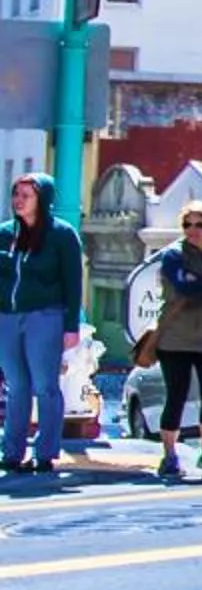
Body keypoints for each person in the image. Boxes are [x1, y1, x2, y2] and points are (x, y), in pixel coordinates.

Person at [3, 171, 86, 484]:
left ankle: (45, 452)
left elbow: (73, 283)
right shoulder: (5, 233)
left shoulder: (62, 235)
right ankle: (12, 452)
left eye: (27, 195)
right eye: (16, 194)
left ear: (43, 199)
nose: (19, 200)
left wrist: (71, 325)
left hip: (45, 316)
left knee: (45, 386)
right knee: (16, 386)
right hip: (7, 317)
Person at [149, 205, 202, 483]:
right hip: (175, 339)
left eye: (199, 225)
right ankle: (169, 454)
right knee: (177, 395)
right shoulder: (173, 255)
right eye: (187, 225)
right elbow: (185, 286)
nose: (192, 231)